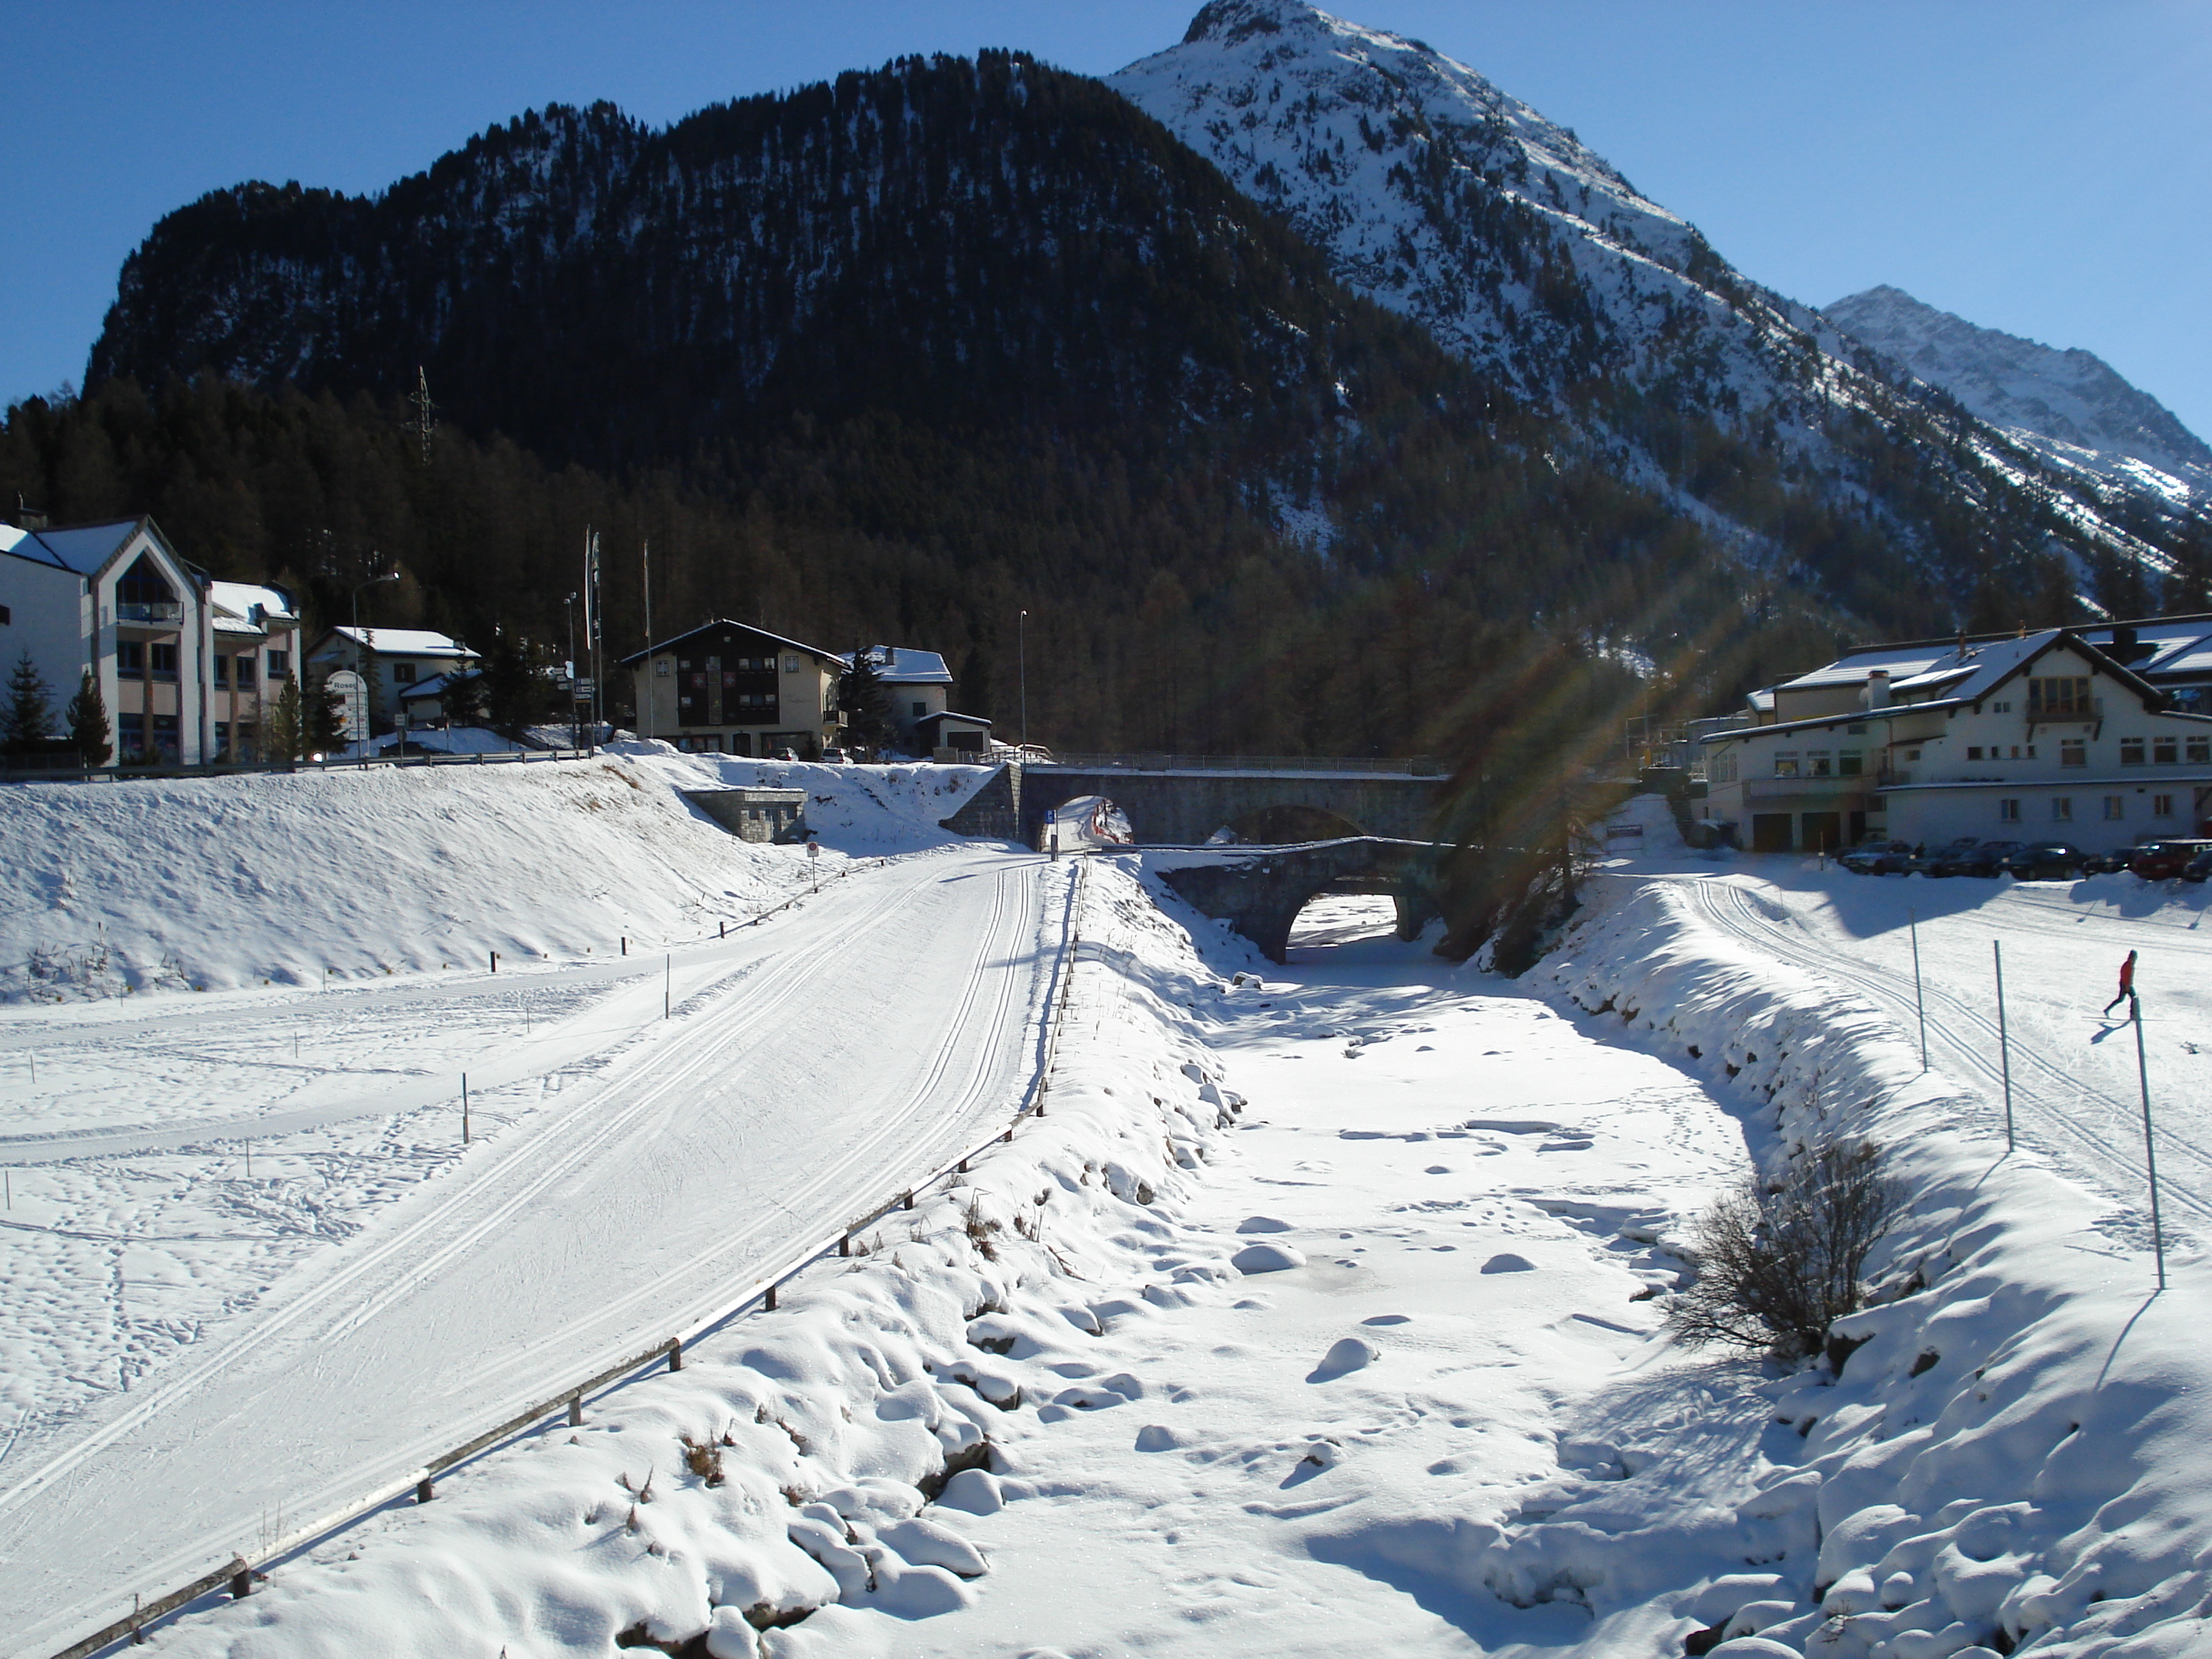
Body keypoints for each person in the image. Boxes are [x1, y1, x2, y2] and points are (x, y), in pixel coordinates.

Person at [2102, 949, 2139, 1017]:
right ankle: (2133, 1015)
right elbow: (2125, 976)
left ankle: (2107, 1009)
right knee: (2134, 998)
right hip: (2125, 984)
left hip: (2126, 984)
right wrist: (2127, 986)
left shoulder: (2129, 964)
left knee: (2122, 999)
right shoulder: (2128, 965)